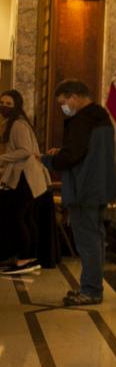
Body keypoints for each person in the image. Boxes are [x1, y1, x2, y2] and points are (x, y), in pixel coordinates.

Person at [41, 80, 116, 304]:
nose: (63, 107)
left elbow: (73, 156)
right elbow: (87, 151)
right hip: (100, 186)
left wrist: (48, 159)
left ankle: (91, 290)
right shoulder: (100, 116)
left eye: (64, 102)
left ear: (74, 96)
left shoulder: (81, 120)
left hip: (84, 188)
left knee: (87, 242)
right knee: (95, 238)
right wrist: (64, 151)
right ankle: (91, 285)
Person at [0, 90, 51, 274]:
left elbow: (25, 151)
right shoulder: (16, 122)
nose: (4, 106)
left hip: (25, 178)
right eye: (2, 102)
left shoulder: (18, 125)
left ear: (16, 106)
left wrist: (2, 158)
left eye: (8, 104)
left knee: (17, 218)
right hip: (28, 177)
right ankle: (29, 257)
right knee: (27, 218)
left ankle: (23, 260)